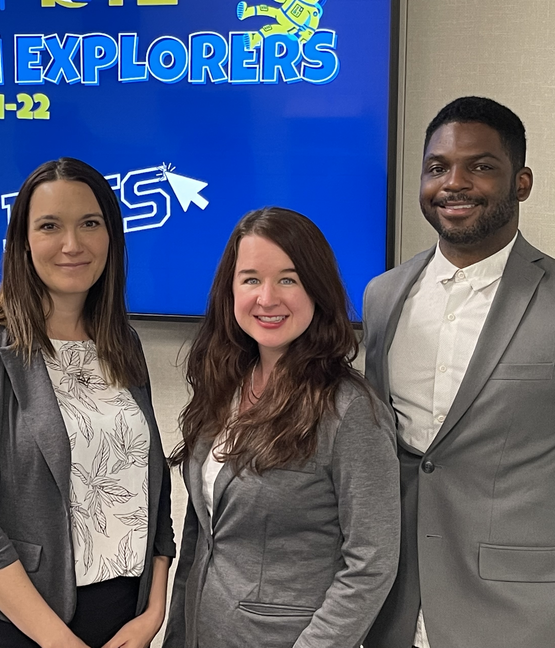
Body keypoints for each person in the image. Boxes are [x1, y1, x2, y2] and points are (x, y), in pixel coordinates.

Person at [362, 97, 555, 648]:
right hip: (397, 606)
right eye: (437, 167)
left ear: (520, 182)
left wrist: (523, 528)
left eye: (480, 166)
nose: (454, 183)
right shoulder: (383, 297)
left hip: (522, 615)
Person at [0, 157, 175, 648]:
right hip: (25, 626)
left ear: (112, 236)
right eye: (50, 226)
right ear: (23, 242)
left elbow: (154, 488)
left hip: (126, 620)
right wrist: (58, 642)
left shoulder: (121, 343)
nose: (72, 244)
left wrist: (153, 611)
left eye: (90, 223)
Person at [164, 207, 400, 648]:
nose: (267, 298)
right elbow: (203, 538)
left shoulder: (349, 410)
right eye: (251, 279)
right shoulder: (225, 387)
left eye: (288, 279)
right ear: (230, 290)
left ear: (317, 290)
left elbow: (371, 561)